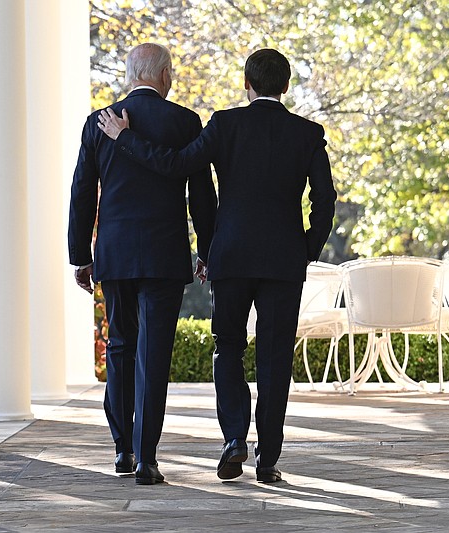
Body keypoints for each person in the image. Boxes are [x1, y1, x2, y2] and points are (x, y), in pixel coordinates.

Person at [97, 48, 336, 483]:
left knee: (228, 347)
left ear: (247, 84)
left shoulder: (225, 124)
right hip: (284, 260)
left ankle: (233, 440)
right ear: (285, 86)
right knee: (275, 356)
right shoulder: (308, 133)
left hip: (231, 257)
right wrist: (306, 248)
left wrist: (123, 138)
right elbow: (325, 201)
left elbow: (175, 166)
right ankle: (268, 460)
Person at [68, 43, 217, 485]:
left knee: (119, 347)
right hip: (165, 253)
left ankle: (121, 450)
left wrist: (81, 256)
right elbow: (202, 196)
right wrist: (205, 249)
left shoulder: (99, 123)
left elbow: (81, 194)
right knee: (154, 354)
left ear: (130, 75)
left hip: (114, 253)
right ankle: (147, 455)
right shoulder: (186, 122)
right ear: (166, 75)